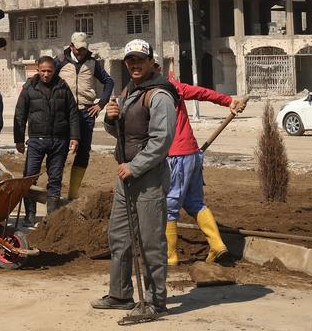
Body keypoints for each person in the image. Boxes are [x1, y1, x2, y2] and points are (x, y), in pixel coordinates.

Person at [92, 39, 178, 317]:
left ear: (152, 62)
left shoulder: (159, 95)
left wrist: (135, 166)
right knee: (119, 236)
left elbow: (162, 140)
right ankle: (120, 295)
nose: (135, 64)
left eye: (140, 59)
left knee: (151, 241)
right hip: (125, 177)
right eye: (130, 60)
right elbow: (123, 134)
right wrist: (110, 118)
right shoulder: (131, 91)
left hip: (148, 178)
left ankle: (155, 301)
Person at [164, 67, 247, 266]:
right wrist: (229, 101)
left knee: (169, 207)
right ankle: (217, 246)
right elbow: (202, 92)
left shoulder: (159, 89)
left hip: (175, 156)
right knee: (195, 203)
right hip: (192, 154)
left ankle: (171, 257)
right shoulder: (174, 86)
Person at [14, 56, 79, 225]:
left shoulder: (63, 87)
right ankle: (29, 215)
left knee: (55, 178)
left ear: (54, 70)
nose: (46, 74)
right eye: (43, 71)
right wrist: (19, 140)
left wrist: (74, 137)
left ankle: (51, 216)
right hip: (36, 141)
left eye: (49, 71)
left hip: (59, 141)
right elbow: (20, 115)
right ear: (37, 69)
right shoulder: (29, 88)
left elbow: (72, 113)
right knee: (29, 178)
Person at [55, 31, 114, 200]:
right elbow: (47, 77)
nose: (80, 52)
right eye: (78, 49)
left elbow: (109, 81)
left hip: (86, 112)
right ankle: (55, 193)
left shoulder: (92, 63)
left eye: (83, 49)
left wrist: (100, 104)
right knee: (60, 150)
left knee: (83, 152)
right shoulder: (59, 61)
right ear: (71, 46)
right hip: (64, 112)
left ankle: (73, 195)